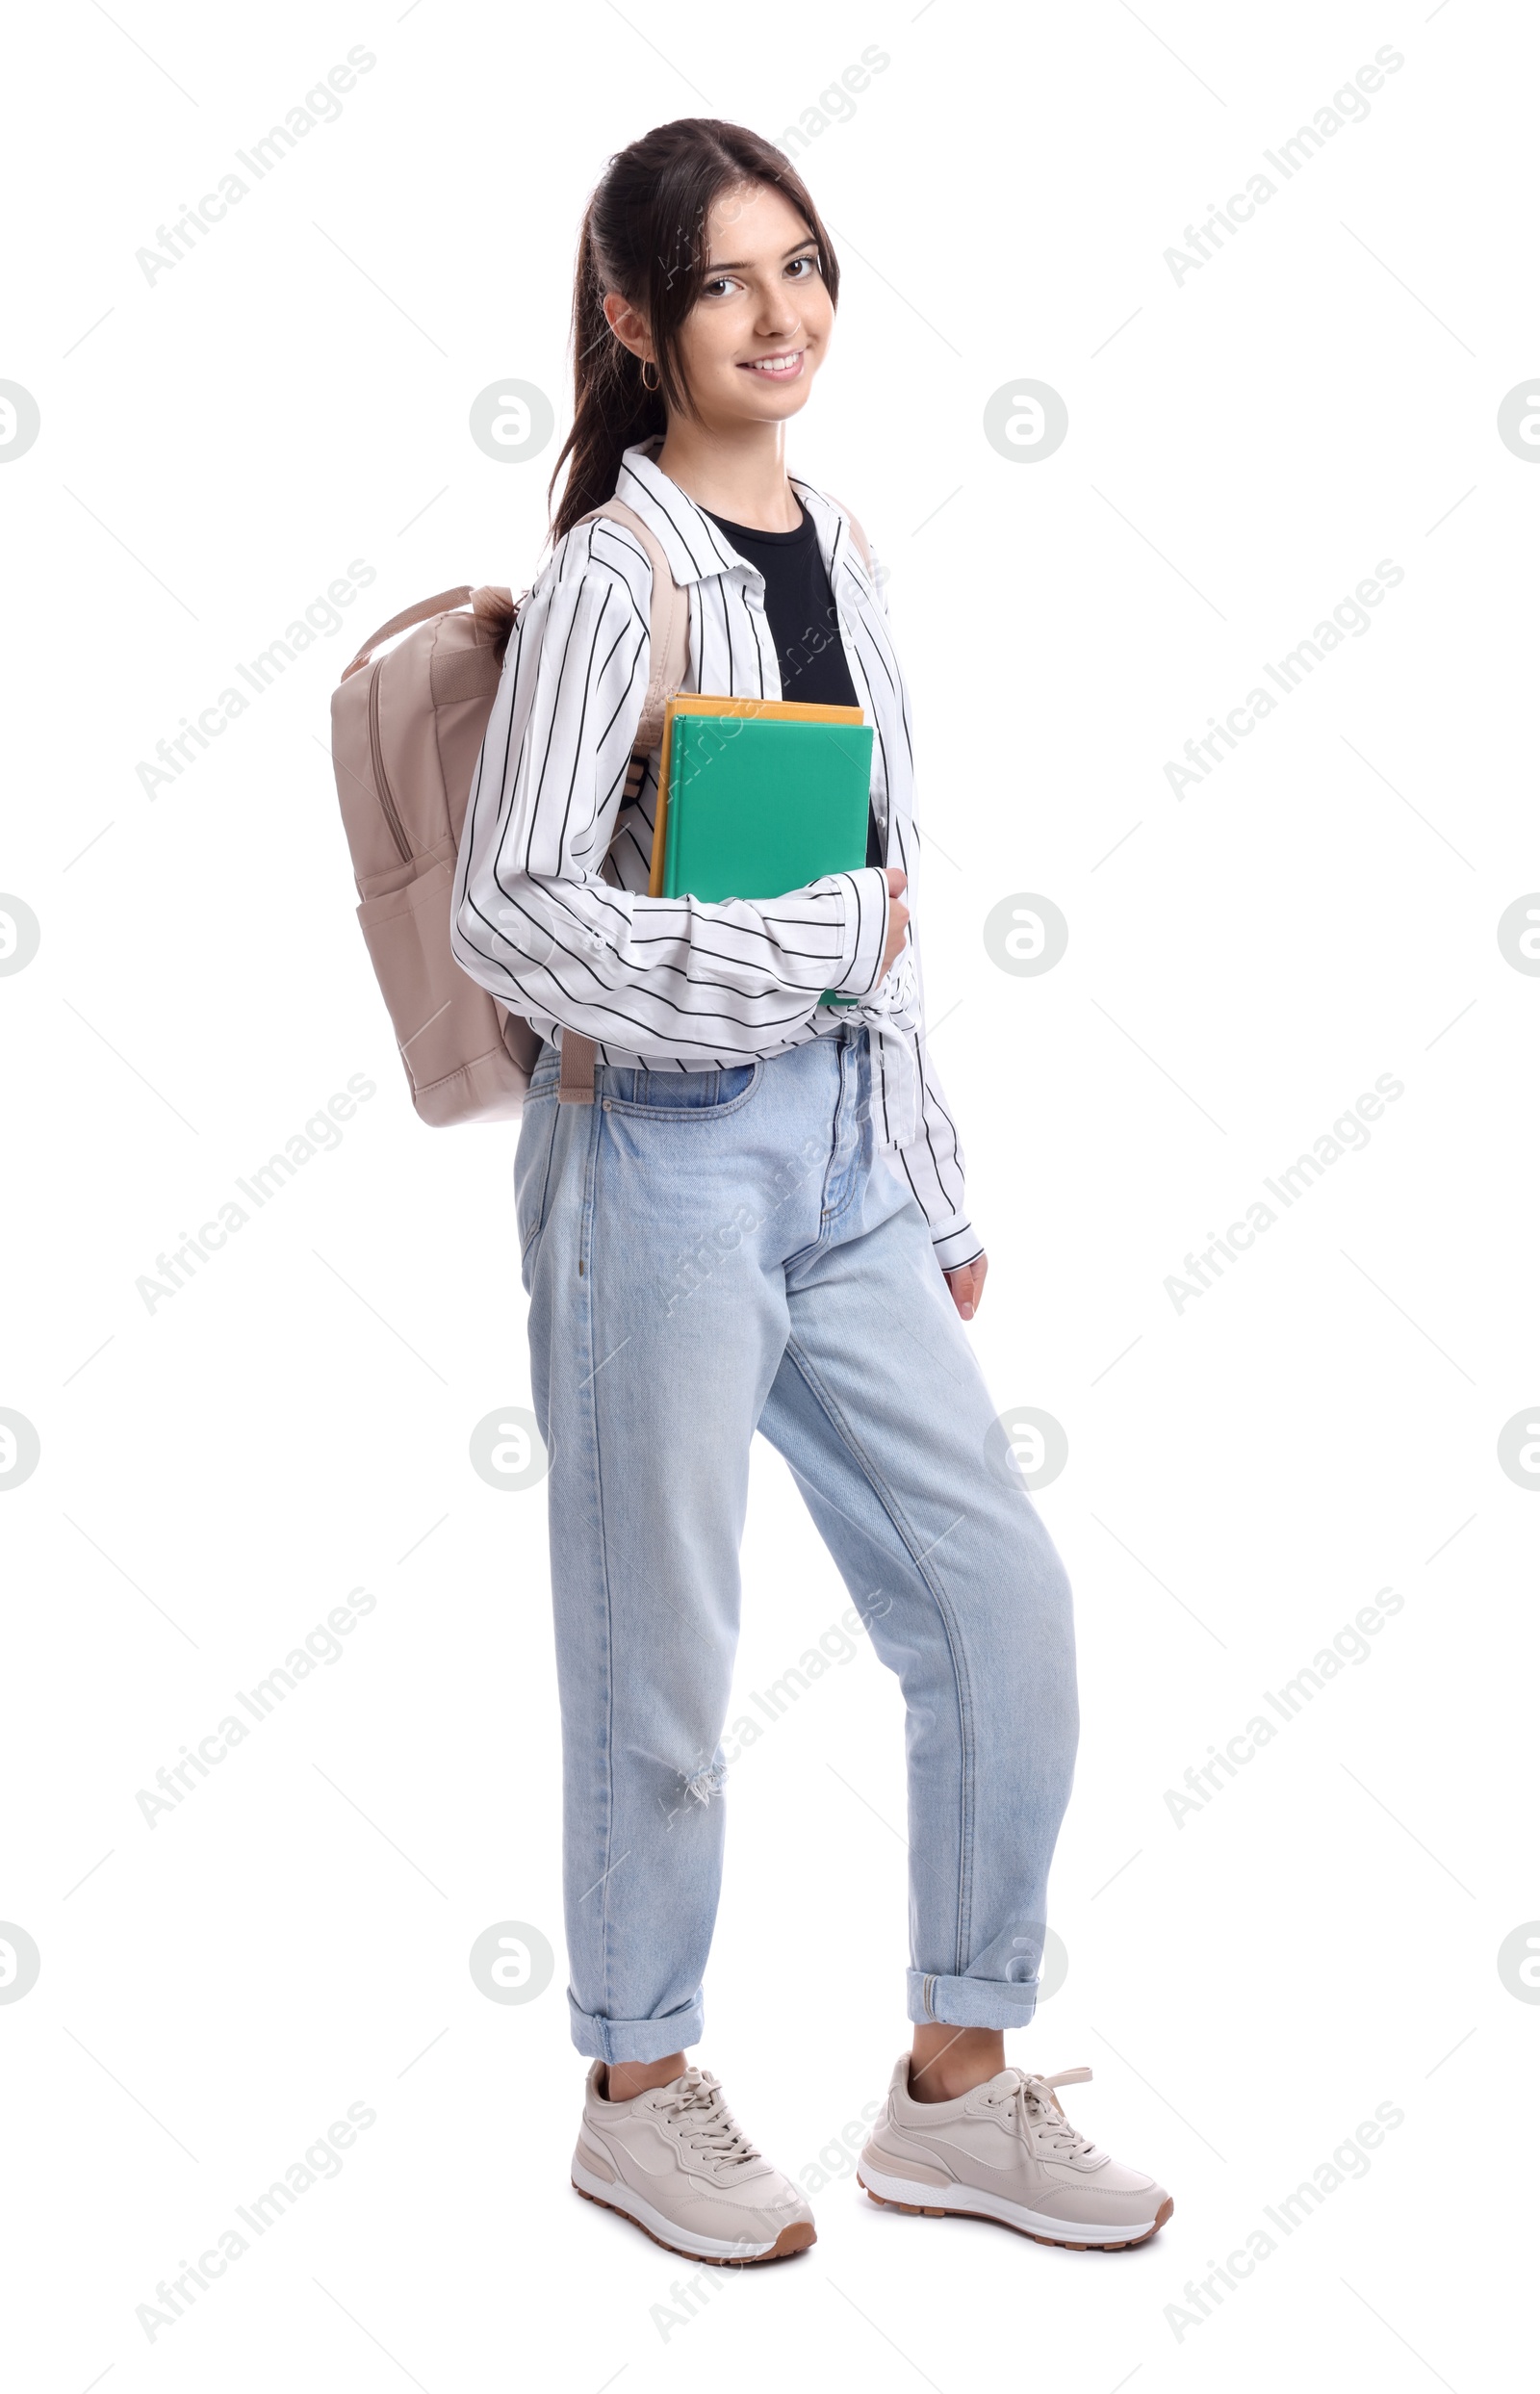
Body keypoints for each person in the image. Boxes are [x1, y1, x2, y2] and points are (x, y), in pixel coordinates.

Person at [450, 116, 1171, 2265]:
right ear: (630, 321)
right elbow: (510, 913)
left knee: (996, 1603)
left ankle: (954, 2087)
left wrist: (927, 1181)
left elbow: (891, 902)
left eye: (804, 268)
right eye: (725, 284)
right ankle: (636, 2086)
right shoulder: (613, 573)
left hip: (841, 1158)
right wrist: (795, 953)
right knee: (661, 1667)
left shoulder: (842, 544)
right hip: (652, 1166)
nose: (780, 317)